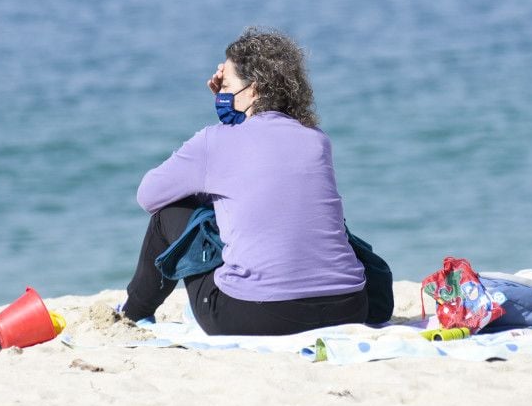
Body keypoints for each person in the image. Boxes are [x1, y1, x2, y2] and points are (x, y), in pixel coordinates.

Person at [121, 28, 368, 336]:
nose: (221, 95)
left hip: (256, 315)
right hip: (348, 308)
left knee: (170, 211)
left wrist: (225, 129)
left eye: (226, 86)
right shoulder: (316, 140)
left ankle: (134, 313)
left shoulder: (215, 142)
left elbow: (149, 195)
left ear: (255, 89)